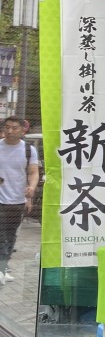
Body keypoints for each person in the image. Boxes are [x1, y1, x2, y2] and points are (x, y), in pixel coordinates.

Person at [0, 117, 39, 284]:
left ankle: (3, 267)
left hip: (17, 200)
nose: (10, 131)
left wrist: (31, 188)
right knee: (1, 235)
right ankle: (1, 270)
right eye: (7, 127)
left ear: (22, 130)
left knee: (10, 236)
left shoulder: (28, 150)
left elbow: (33, 172)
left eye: (14, 128)